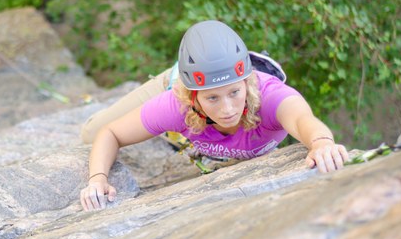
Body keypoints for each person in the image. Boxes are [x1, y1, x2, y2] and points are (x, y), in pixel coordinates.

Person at [80, 20, 350, 211]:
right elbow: (109, 133)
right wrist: (98, 178)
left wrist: (322, 143)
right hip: (175, 84)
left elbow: (304, 121)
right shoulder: (178, 104)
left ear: (247, 83)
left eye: (234, 92)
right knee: (90, 134)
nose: (228, 109)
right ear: (194, 97)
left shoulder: (271, 98)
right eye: (213, 98)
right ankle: (179, 83)